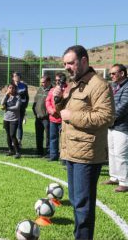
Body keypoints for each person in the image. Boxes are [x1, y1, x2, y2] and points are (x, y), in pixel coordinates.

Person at [53, 45, 114, 240]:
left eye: (71, 63)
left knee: (82, 205)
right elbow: (62, 113)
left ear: (84, 61)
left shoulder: (99, 85)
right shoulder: (74, 84)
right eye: (65, 64)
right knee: (76, 201)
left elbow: (106, 117)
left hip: (87, 155)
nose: (67, 67)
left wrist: (72, 115)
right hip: (72, 151)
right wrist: (58, 100)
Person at [102, 64, 128, 192]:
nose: (110, 76)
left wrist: (107, 117)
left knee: (120, 154)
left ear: (122, 74)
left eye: (113, 73)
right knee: (111, 153)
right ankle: (114, 177)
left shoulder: (127, 87)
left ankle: (124, 182)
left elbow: (123, 106)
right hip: (112, 126)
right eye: (110, 73)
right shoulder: (113, 87)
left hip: (123, 127)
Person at [46, 73, 67, 162]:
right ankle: (53, 155)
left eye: (59, 80)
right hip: (53, 119)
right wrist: (51, 111)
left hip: (63, 119)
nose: (57, 82)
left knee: (64, 139)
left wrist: (60, 112)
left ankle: (64, 158)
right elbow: (47, 101)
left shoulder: (68, 89)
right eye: (56, 80)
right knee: (53, 138)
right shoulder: (52, 90)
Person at [32, 75, 52, 157]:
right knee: (38, 135)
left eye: (43, 82)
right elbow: (35, 101)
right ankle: (39, 150)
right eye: (41, 82)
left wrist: (46, 114)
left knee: (48, 136)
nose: (41, 84)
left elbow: (52, 104)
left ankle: (48, 151)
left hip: (46, 118)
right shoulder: (40, 89)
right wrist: (35, 111)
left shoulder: (52, 90)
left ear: (48, 82)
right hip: (38, 117)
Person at [1, 83, 21, 158]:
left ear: (15, 89)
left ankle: (18, 152)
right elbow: (2, 103)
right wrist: (6, 94)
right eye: (10, 88)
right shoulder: (7, 96)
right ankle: (10, 150)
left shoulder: (18, 97)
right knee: (8, 135)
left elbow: (17, 107)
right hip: (6, 118)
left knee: (12, 135)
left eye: (13, 88)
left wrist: (7, 108)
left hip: (14, 119)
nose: (11, 89)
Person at [12, 72, 29, 147]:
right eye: (15, 76)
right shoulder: (11, 86)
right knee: (12, 124)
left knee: (19, 124)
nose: (16, 77)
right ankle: (13, 140)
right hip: (12, 109)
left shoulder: (24, 85)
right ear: (13, 78)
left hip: (21, 108)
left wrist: (25, 106)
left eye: (18, 76)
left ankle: (19, 141)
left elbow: (27, 97)